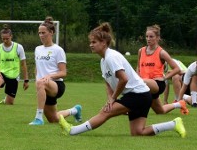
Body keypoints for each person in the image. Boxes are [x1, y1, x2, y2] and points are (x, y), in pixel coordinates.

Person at [59, 22, 187, 138]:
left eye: (94, 42)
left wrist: (114, 98)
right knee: (138, 132)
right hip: (141, 95)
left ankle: (72, 130)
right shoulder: (103, 60)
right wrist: (110, 98)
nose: (91, 45)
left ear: (104, 43)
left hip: (138, 95)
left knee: (105, 113)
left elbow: (123, 79)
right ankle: (173, 124)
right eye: (91, 42)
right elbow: (108, 82)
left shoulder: (111, 57)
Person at [28, 17, 82, 126]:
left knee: (41, 82)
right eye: (39, 33)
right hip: (43, 86)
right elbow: (37, 68)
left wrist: (49, 76)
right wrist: (37, 81)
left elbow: (63, 72)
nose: (41, 35)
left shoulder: (58, 50)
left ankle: (38, 118)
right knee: (54, 119)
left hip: (57, 85)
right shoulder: (37, 49)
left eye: (44, 33)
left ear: (51, 32)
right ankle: (75, 110)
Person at [137, 24, 188, 116]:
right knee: (160, 111)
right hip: (144, 84)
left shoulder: (162, 52)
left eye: (151, 36)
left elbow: (176, 69)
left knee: (134, 104)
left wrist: (165, 78)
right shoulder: (141, 51)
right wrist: (137, 77)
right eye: (147, 36)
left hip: (157, 83)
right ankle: (179, 104)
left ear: (158, 38)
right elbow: (138, 68)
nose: (148, 39)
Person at [0, 26, 29, 105]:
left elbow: (23, 64)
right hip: (2, 73)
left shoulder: (19, 47)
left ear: (11, 36)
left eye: (7, 38)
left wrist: (26, 80)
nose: (5, 40)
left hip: (14, 75)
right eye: (3, 38)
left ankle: (5, 100)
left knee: (9, 103)